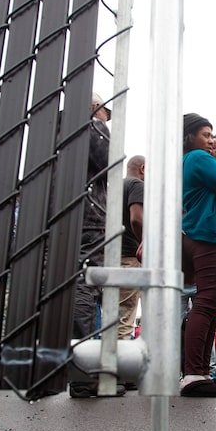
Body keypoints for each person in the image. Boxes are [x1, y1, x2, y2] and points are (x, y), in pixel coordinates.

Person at [69, 94, 125, 398]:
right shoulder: (92, 124)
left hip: (57, 219)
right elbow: (111, 163)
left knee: (63, 290)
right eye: (106, 111)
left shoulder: (53, 128)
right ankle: (86, 373)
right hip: (90, 218)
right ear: (94, 107)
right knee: (87, 287)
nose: (108, 118)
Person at [180, 113, 216, 397]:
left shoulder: (188, 161)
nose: (210, 140)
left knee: (210, 305)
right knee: (206, 303)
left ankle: (201, 372)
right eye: (205, 135)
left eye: (213, 135)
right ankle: (194, 374)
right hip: (208, 234)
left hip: (203, 233)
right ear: (190, 136)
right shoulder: (198, 159)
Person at [119, 156, 145, 340]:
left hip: (115, 255)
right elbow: (136, 218)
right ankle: (117, 366)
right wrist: (145, 242)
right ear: (143, 169)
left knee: (116, 315)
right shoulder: (136, 185)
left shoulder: (115, 186)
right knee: (125, 317)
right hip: (131, 256)